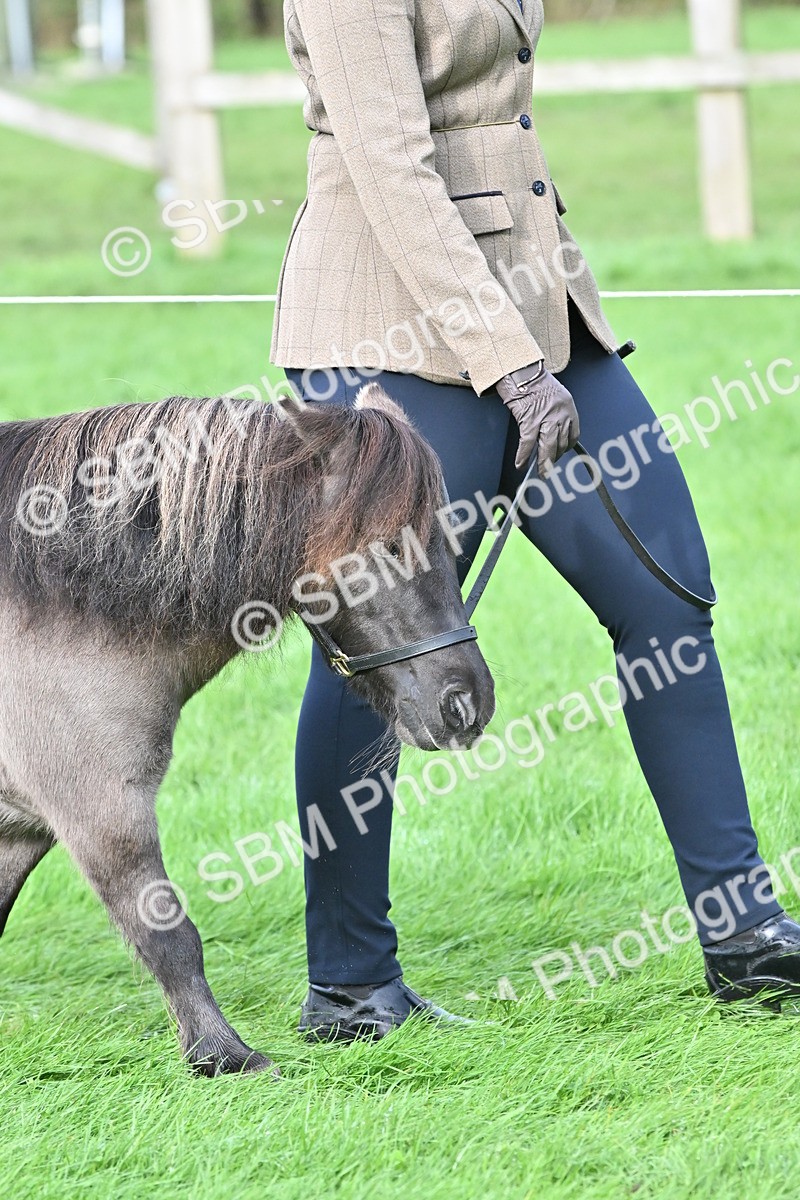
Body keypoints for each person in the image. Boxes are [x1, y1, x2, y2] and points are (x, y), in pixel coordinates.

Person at [270, 0, 800, 1039]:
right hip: (391, 330)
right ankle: (348, 985)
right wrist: (506, 364)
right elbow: (386, 163)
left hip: (535, 307)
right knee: (372, 648)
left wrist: (529, 343)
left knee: (664, 597)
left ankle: (744, 935)